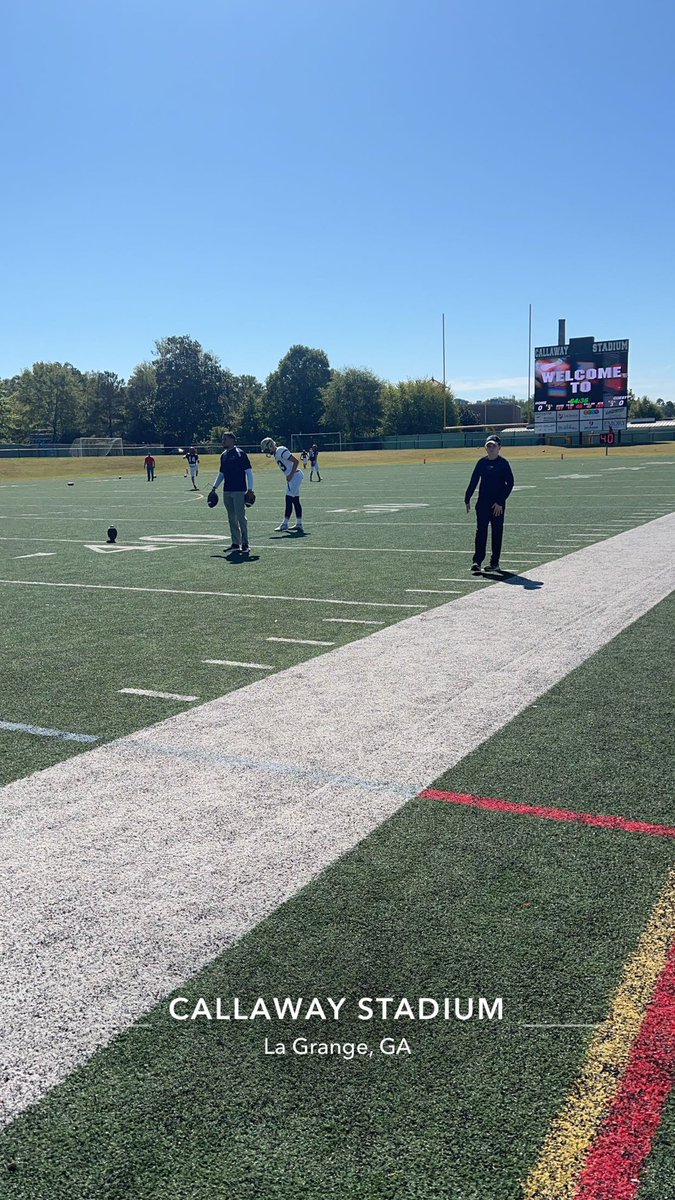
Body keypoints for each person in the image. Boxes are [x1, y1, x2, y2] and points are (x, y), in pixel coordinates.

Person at [464, 435, 514, 574]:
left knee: (497, 533)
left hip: (497, 505)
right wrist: (467, 498)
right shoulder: (482, 463)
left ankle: (494, 563)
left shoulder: (503, 463)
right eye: (489, 446)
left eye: (493, 446)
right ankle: (477, 562)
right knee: (481, 532)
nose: (491, 448)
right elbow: (474, 480)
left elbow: (509, 483)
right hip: (483, 504)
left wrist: (500, 502)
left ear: (499, 448)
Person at [209, 432, 254, 554]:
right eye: (222, 439)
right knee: (231, 518)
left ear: (232, 440)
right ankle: (235, 543)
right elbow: (221, 474)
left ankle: (245, 544)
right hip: (227, 490)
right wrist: (214, 488)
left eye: (225, 439)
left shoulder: (240, 454)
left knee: (240, 517)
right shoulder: (223, 455)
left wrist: (250, 489)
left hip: (239, 490)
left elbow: (249, 472)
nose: (223, 441)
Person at [260, 437, 304, 533]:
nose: (267, 452)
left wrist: (291, 474)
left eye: (267, 449)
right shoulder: (277, 453)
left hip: (295, 476)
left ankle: (285, 523)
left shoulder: (281, 450)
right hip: (293, 476)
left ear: (271, 446)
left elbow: (296, 461)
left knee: (289, 499)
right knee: (295, 500)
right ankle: (299, 523)